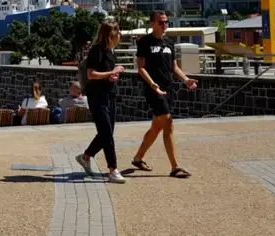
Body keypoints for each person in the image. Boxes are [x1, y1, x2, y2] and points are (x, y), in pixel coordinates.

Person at [130, 11, 197, 178]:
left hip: (168, 88)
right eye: (161, 22)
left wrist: (186, 80)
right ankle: (175, 167)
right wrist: (152, 84)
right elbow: (141, 67)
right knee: (168, 122)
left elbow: (174, 67)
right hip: (153, 89)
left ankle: (138, 158)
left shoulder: (169, 42)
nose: (164, 25)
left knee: (156, 127)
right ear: (152, 23)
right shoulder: (145, 42)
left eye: (166, 22)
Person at [75, 21, 126, 183]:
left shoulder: (110, 51)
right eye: (116, 33)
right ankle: (113, 170)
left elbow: (103, 73)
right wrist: (113, 71)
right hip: (97, 96)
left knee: (107, 132)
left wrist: (112, 76)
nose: (118, 36)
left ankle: (85, 156)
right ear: (110, 35)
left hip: (109, 94)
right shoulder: (96, 50)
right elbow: (91, 74)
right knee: (106, 133)